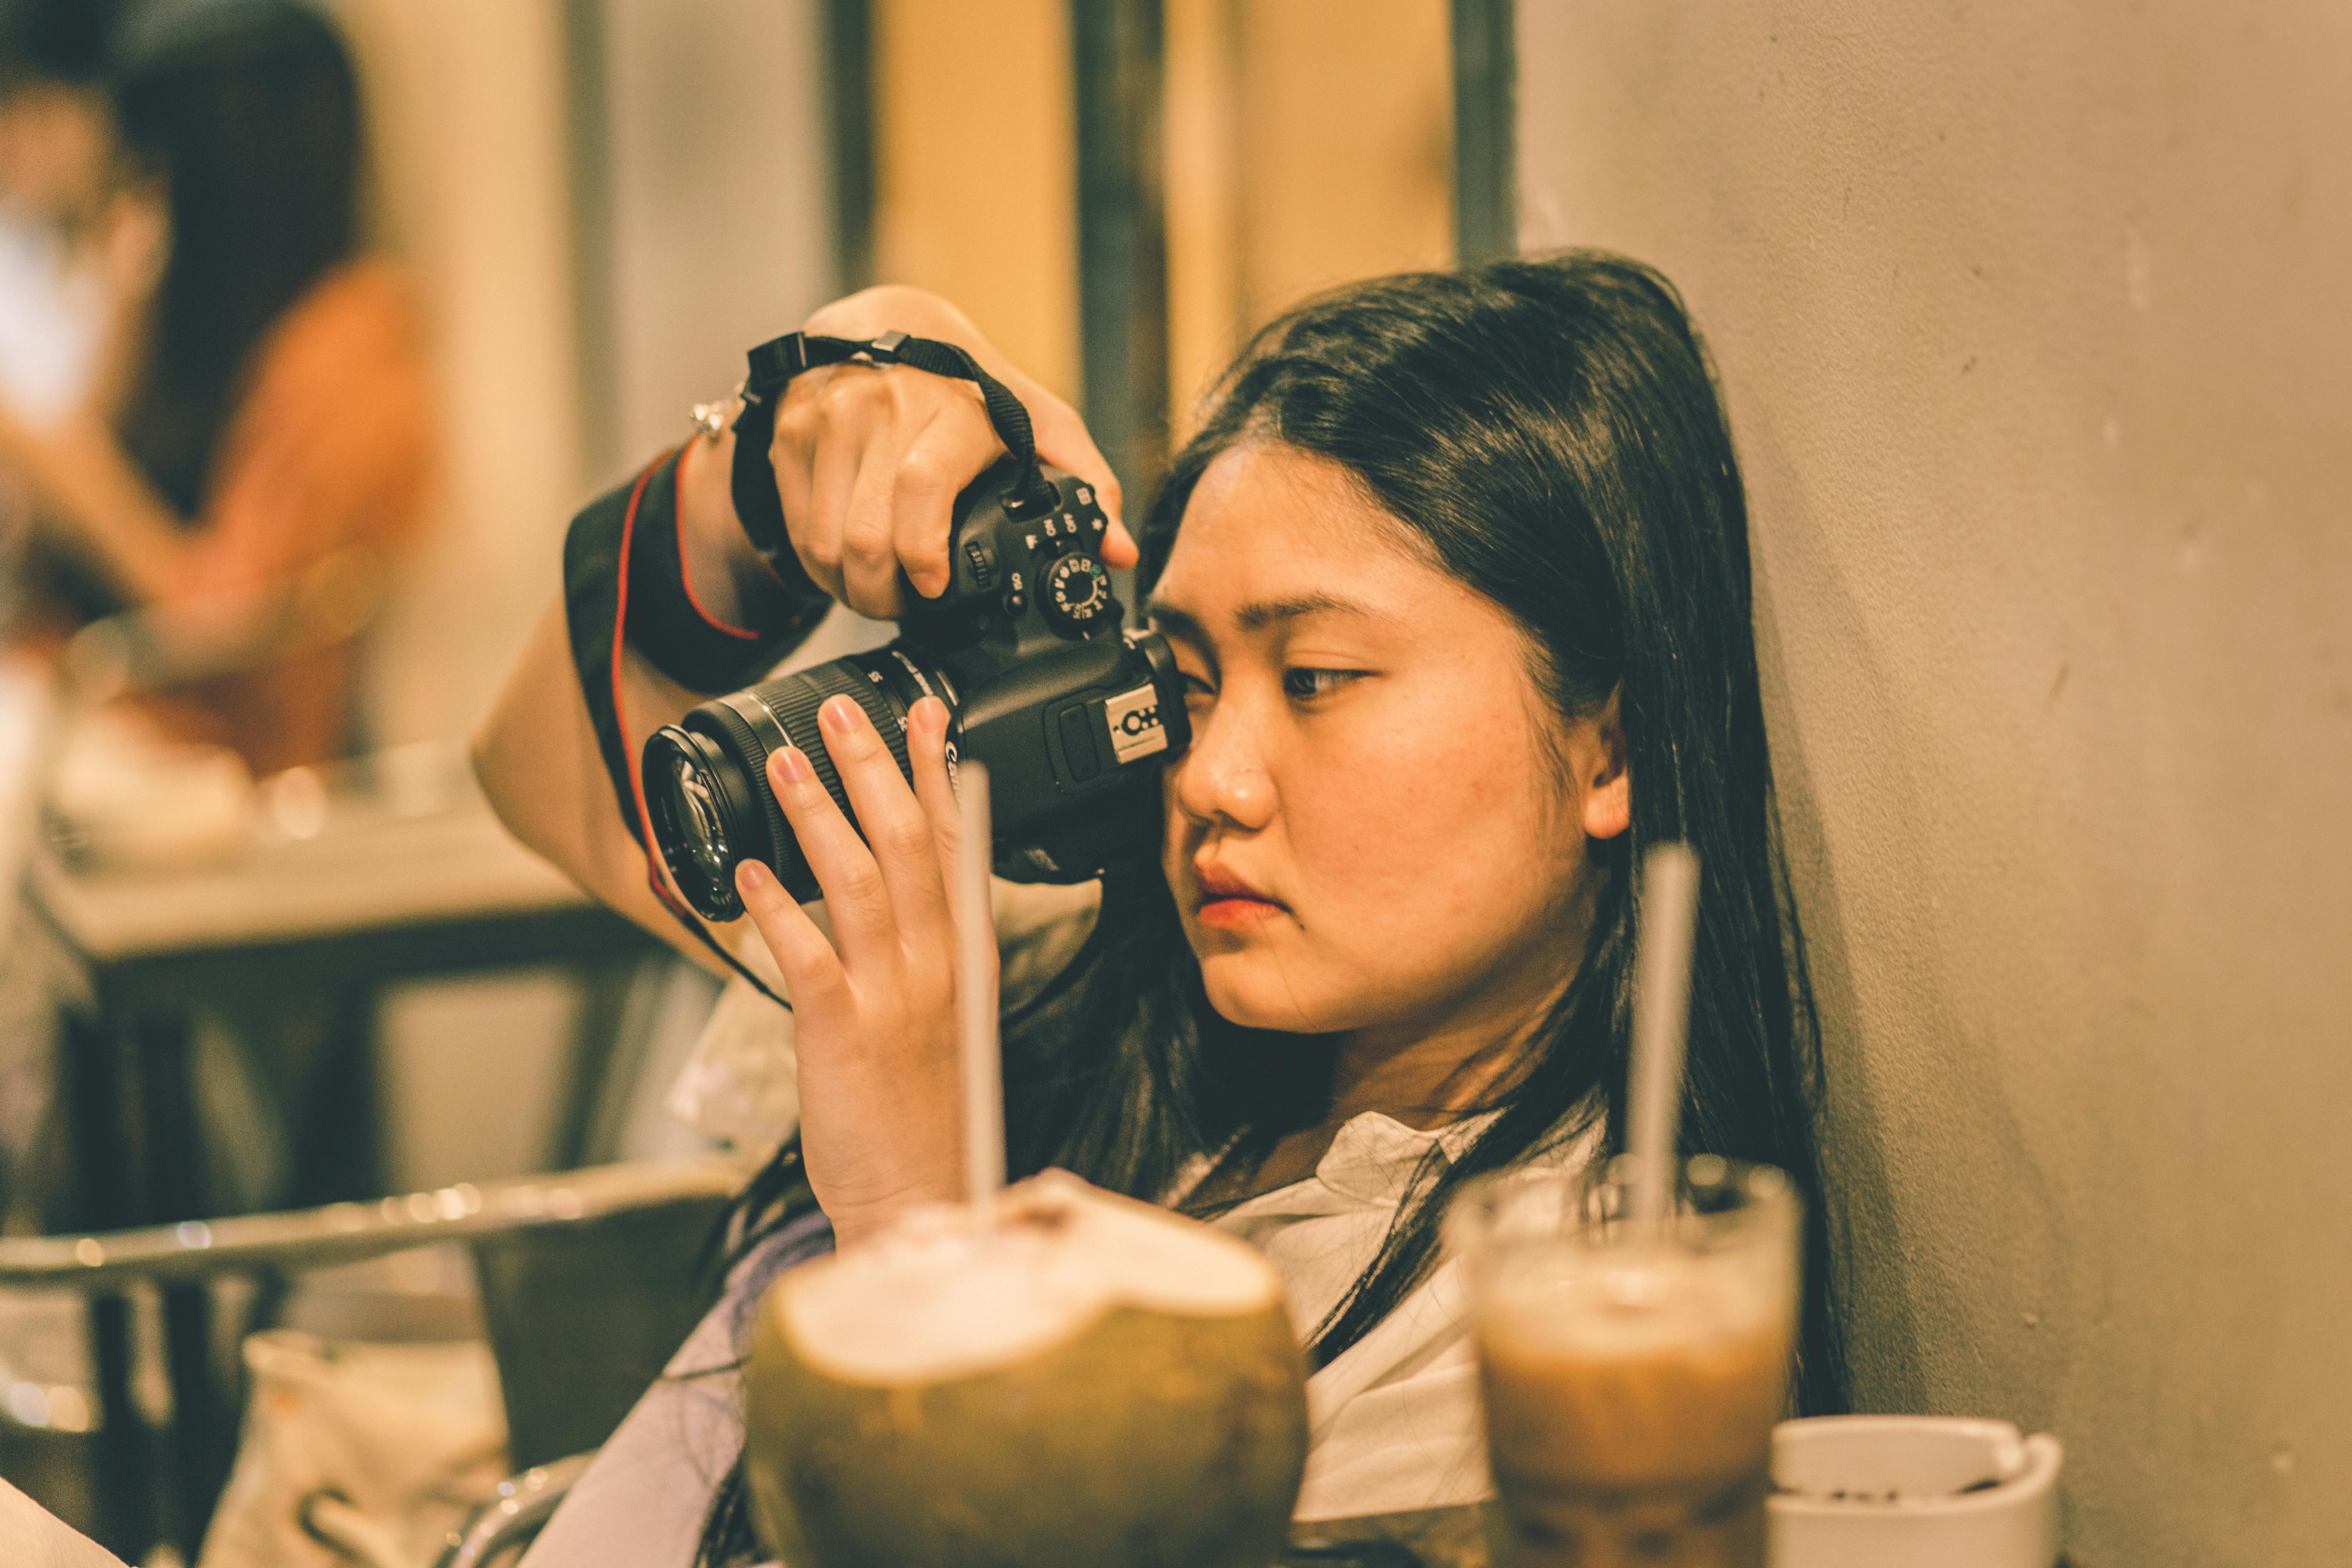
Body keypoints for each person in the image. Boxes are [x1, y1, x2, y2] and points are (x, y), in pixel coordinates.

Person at [474, 253, 1845, 1565]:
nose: (1213, 776)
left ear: (1607, 746)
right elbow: (542, 767)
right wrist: (783, 456)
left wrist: (919, 1236)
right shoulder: (1046, 982)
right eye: (1185, 683)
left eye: (1315, 678)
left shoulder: (1551, 1351)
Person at [0, 0, 431, 775]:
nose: (136, 213)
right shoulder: (199, 319)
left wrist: (71, 477)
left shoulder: (344, 352)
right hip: (102, 725)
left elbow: (234, 625)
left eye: (153, 180)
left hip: (208, 758)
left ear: (228, 179)